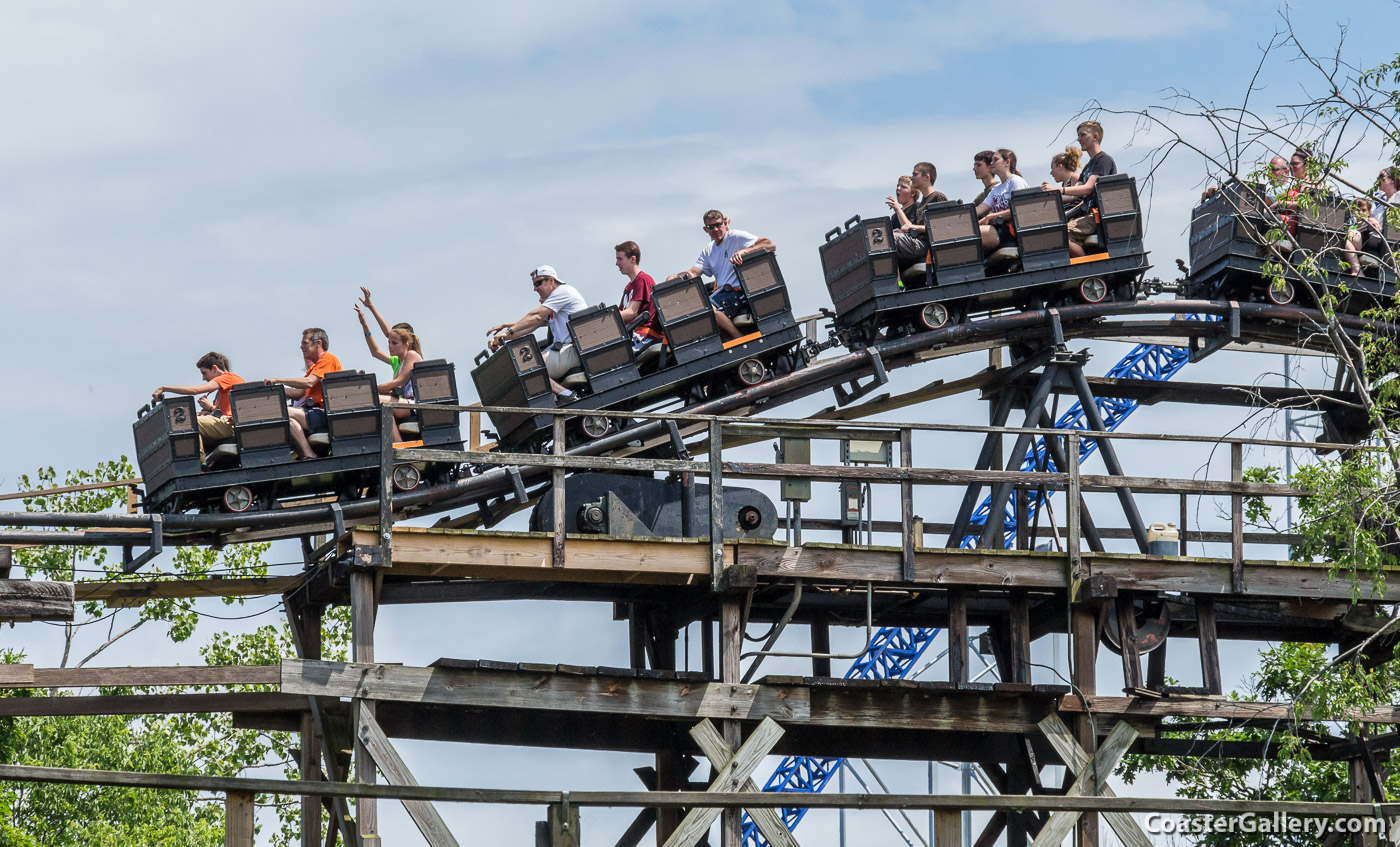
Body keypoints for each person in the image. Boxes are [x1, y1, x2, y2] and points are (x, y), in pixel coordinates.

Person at [667, 211, 775, 341]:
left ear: (724, 223)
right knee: (694, 310)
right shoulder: (708, 250)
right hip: (722, 294)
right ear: (705, 229)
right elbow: (694, 272)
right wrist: (677, 277)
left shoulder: (734, 237)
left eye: (718, 225)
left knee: (707, 308)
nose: (716, 229)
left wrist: (744, 251)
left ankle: (739, 338)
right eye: (711, 227)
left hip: (738, 293)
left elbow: (769, 245)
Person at [487, 266, 588, 401]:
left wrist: (508, 331)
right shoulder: (554, 303)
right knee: (518, 368)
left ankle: (567, 395)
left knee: (528, 367)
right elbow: (529, 326)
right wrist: (501, 338)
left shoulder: (564, 291)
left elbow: (535, 316)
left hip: (574, 350)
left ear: (551, 280)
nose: (535, 289)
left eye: (538, 283)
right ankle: (552, 398)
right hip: (563, 351)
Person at [1040, 121, 1117, 257]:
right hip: (1085, 214)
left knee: (1061, 236)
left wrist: (1058, 190)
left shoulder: (1103, 160)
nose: (1079, 139)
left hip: (1097, 215)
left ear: (1095, 136)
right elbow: (1073, 196)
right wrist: (1051, 196)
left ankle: (1086, 269)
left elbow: (1088, 189)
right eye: (1078, 136)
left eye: (1083, 135)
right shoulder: (1088, 167)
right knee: (1051, 233)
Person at [264, 328, 343, 459]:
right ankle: (306, 455)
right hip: (313, 412)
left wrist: (278, 379)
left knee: (277, 411)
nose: (301, 347)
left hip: (325, 413)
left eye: (305, 343)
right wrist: (275, 390)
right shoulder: (315, 367)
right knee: (286, 421)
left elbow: (309, 382)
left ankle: (308, 454)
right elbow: (299, 393)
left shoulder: (328, 359)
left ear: (318, 343)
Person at [152, 352, 246, 461]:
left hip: (231, 426)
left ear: (215, 368)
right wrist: (208, 412)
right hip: (227, 424)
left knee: (192, 423)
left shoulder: (227, 378)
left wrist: (164, 388)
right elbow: (222, 412)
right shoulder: (221, 392)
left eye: (204, 373)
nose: (203, 378)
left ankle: (200, 465)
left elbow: (195, 390)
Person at [355, 296, 423, 442]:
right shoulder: (398, 361)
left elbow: (399, 382)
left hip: (415, 405)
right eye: (389, 342)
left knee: (378, 401)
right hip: (405, 403)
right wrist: (364, 325)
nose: (390, 346)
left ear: (406, 343)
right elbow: (375, 352)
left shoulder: (412, 355)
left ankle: (398, 445)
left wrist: (373, 387)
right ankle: (391, 443)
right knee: (372, 402)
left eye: (394, 342)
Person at [891, 162, 950, 269]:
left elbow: (942, 228)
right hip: (919, 242)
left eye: (915, 174)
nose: (912, 177)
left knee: (889, 239)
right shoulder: (922, 204)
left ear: (926, 177)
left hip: (928, 246)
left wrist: (913, 227)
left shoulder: (937, 197)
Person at [975, 149, 1029, 253]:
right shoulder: (996, 189)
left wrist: (991, 216)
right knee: (967, 235)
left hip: (1012, 231)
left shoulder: (1016, 182)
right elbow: (978, 210)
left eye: (995, 160)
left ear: (1007, 162)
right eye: (991, 160)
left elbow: (1018, 210)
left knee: (973, 237)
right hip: (998, 228)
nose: (991, 163)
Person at [614, 241, 662, 352]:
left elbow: (631, 312)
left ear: (633, 259)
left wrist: (608, 317)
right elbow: (621, 316)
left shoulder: (642, 279)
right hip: (631, 336)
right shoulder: (628, 287)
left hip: (644, 336)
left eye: (620, 259)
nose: (617, 263)